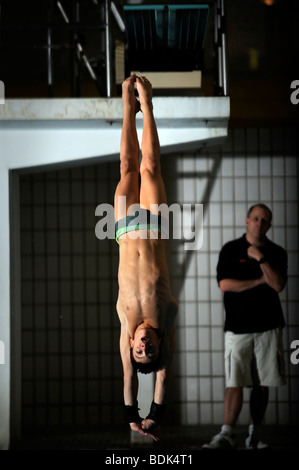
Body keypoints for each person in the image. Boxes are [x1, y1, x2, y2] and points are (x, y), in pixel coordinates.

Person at [115, 73, 178, 441]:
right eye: (148, 350)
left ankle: (127, 105)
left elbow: (128, 378)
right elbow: (163, 375)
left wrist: (132, 419)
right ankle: (148, 103)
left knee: (127, 166)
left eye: (138, 351)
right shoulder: (166, 317)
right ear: (157, 347)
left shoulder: (126, 322)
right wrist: (155, 414)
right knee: (150, 165)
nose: (142, 346)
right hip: (154, 225)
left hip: (123, 228)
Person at [203, 203, 288, 450]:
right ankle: (226, 434)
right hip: (237, 327)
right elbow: (225, 285)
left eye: (265, 220)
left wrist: (261, 259)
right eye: (256, 218)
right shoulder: (231, 249)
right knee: (235, 382)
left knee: (262, 384)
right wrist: (259, 280)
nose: (260, 223)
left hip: (269, 326)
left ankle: (254, 435)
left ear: (269, 225)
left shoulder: (276, 252)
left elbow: (278, 285)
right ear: (247, 221)